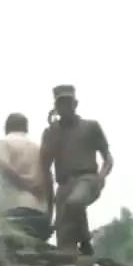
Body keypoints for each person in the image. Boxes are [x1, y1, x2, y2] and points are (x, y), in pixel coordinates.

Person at [40, 85, 113, 256]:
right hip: (64, 184)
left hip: (87, 178)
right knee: (64, 243)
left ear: (75, 104)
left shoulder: (91, 126)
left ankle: (85, 239)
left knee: (76, 202)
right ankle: (80, 265)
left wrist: (101, 177)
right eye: (61, 103)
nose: (65, 107)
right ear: (55, 107)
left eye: (68, 102)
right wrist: (49, 210)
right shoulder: (51, 132)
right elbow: (45, 168)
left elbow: (108, 158)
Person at [0, 113, 51, 241]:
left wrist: (25, 185)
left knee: (13, 253)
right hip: (38, 209)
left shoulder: (2, 143)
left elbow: (3, 166)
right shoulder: (38, 148)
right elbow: (48, 180)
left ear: (6, 127)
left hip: (12, 206)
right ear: (26, 128)